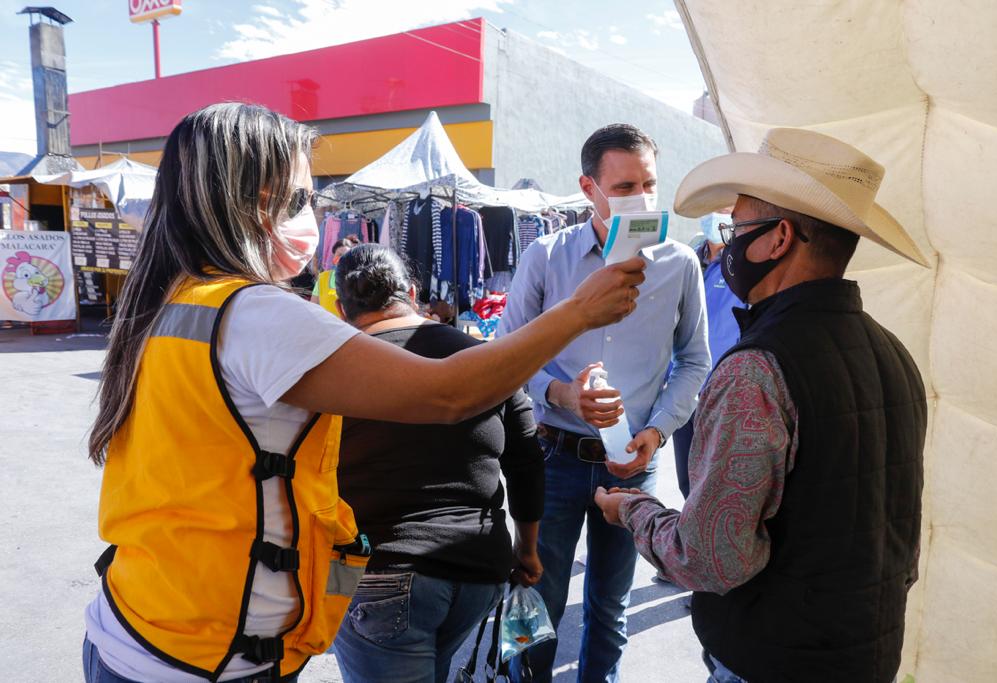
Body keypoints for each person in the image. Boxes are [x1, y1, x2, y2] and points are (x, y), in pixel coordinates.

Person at [82, 102, 646, 683]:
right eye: (301, 199)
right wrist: (579, 311)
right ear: (254, 202)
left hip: (139, 621)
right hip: (207, 653)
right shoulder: (253, 313)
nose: (312, 218)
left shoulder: (170, 302)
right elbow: (448, 394)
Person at [594, 127, 929, 683]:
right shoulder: (893, 352)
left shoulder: (757, 368)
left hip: (771, 656)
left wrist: (632, 509)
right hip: (867, 650)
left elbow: (709, 557)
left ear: (779, 239)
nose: (726, 247)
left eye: (736, 229)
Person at [497, 123, 711, 683]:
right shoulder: (546, 256)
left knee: (610, 608)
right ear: (588, 187)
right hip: (554, 457)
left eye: (649, 184)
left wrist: (658, 432)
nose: (640, 198)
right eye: (623, 187)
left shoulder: (680, 264)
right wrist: (559, 392)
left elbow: (694, 361)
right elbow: (506, 354)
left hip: (634, 466)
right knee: (536, 600)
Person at [327, 244, 544, 683]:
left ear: (339, 308)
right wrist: (527, 550)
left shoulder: (330, 371)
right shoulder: (485, 359)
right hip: (478, 568)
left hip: (375, 573)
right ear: (411, 292)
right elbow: (527, 462)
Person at [671, 209, 743, 497]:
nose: (717, 216)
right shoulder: (688, 259)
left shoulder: (741, 265)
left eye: (725, 209)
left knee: (717, 487)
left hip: (721, 393)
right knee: (687, 484)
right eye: (712, 209)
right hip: (683, 388)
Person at [310, 237, 355, 315]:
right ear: (333, 257)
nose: (342, 258)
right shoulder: (323, 277)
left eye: (346, 255)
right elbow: (313, 306)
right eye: (339, 255)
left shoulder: (357, 278)